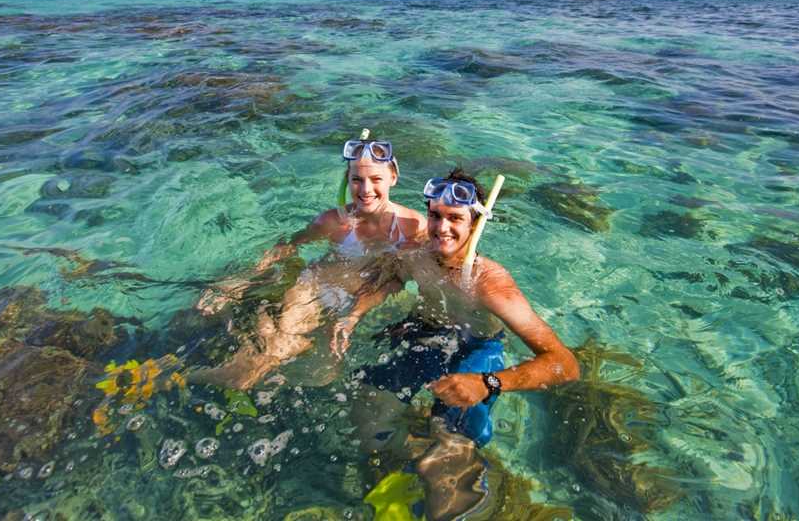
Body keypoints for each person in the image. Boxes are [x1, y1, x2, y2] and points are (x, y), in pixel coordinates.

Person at [330, 168, 580, 519]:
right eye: (434, 215)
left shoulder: (490, 283)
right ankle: (396, 477)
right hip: (429, 334)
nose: (441, 228)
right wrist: (355, 313)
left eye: (454, 218)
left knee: (445, 460)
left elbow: (565, 364)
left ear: (476, 224)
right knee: (366, 407)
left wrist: (488, 383)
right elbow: (392, 278)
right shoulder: (416, 254)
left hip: (477, 348)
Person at [192, 136, 427, 389]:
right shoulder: (333, 222)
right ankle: (173, 379)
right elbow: (286, 247)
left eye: (376, 179)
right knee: (260, 363)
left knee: (319, 371)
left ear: (393, 177)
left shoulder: (414, 227)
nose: (366, 190)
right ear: (347, 180)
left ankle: (194, 365)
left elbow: (399, 278)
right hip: (312, 287)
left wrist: (355, 314)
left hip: (349, 301)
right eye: (357, 179)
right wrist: (235, 284)